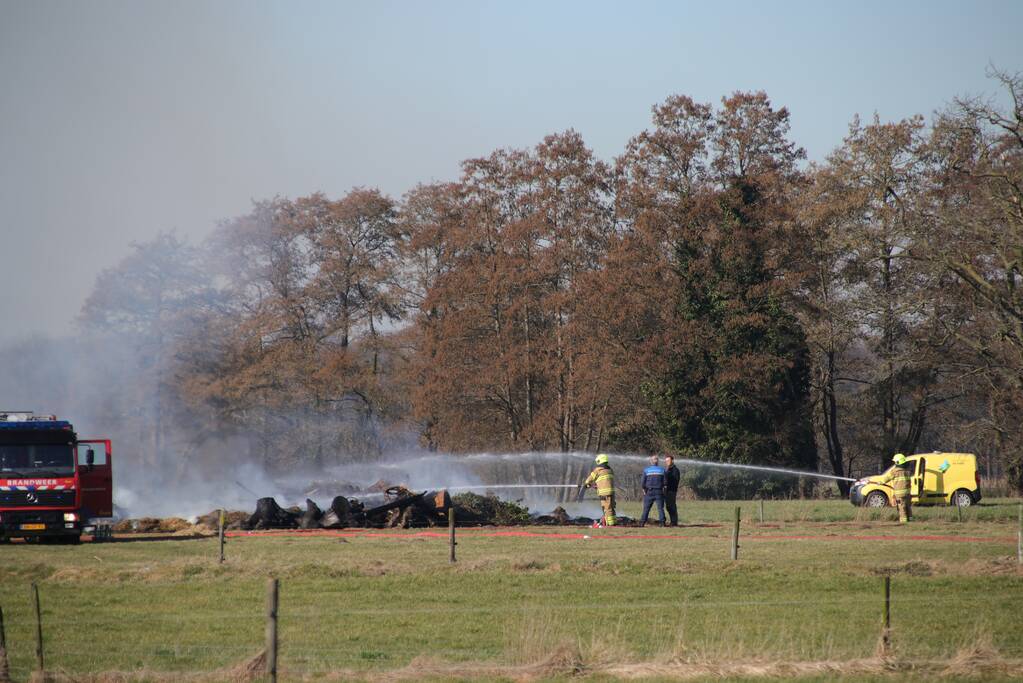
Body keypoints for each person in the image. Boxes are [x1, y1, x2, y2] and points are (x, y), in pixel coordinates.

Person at [583, 453, 616, 527]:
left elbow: (590, 478)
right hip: (612, 492)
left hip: (604, 493)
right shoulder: (610, 470)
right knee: (611, 507)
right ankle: (614, 522)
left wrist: (586, 484)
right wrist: (597, 485)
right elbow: (605, 481)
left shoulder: (598, 470)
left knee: (607, 508)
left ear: (599, 461)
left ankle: (610, 524)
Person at [880, 453, 913, 523]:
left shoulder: (894, 472)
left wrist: (880, 482)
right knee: (908, 507)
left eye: (895, 462)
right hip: (907, 493)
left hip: (899, 494)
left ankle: (903, 522)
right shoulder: (907, 471)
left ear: (897, 462)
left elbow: (886, 479)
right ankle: (910, 520)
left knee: (901, 507)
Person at [639, 455, 666, 527]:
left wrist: (643, 489)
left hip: (649, 492)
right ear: (658, 462)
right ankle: (662, 523)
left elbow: (642, 482)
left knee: (646, 509)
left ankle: (642, 523)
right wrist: (663, 490)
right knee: (660, 508)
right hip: (659, 491)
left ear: (651, 461)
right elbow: (665, 482)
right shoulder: (662, 470)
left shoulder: (646, 470)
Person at [664, 454, 680, 526]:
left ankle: (674, 522)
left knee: (671, 506)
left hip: (671, 491)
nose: (667, 462)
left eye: (668, 460)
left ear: (672, 461)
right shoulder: (668, 469)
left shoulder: (675, 470)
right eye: (666, 461)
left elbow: (675, 481)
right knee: (668, 506)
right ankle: (672, 521)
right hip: (667, 491)